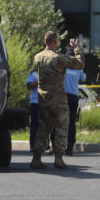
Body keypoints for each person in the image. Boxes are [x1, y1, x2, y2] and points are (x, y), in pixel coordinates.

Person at [30, 31, 84, 170]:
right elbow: (79, 64)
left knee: (43, 128)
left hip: (43, 99)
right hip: (58, 99)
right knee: (61, 127)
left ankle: (36, 158)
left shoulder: (37, 57)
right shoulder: (58, 58)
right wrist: (76, 48)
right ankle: (58, 158)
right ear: (54, 42)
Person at [64, 64, 86, 157]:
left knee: (58, 121)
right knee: (71, 122)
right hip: (73, 97)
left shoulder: (62, 66)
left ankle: (55, 146)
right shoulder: (78, 68)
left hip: (62, 96)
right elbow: (83, 79)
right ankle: (69, 148)